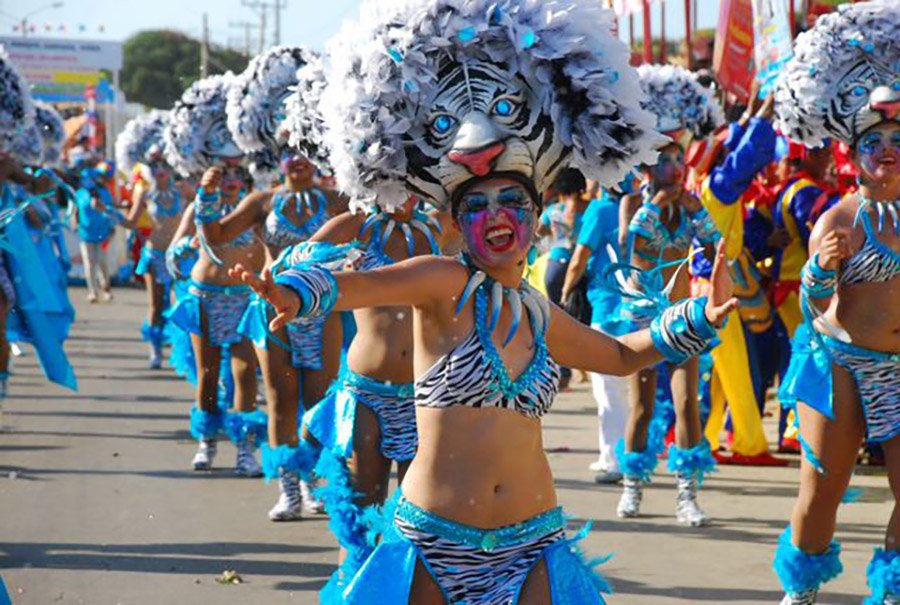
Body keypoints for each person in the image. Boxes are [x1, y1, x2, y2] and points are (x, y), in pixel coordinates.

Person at [231, 2, 736, 602]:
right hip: (435, 542)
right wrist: (290, 290)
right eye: (477, 206)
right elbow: (356, 286)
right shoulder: (441, 281)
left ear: (537, 213)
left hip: (534, 544)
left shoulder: (537, 310)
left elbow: (623, 355)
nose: (496, 217)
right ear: (453, 219)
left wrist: (696, 318)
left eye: (511, 203)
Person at [772, 2, 900, 603]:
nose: (889, 150)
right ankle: (802, 591)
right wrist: (821, 270)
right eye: (875, 140)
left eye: (899, 138)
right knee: (823, 489)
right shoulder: (841, 217)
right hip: (841, 363)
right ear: (854, 151)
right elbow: (813, 302)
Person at [202, 46, 342, 519]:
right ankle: (290, 490)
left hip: (323, 312)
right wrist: (205, 198)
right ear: (276, 159)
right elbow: (218, 235)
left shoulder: (337, 200)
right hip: (271, 311)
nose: (298, 162)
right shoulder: (264, 202)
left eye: (306, 154)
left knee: (319, 405)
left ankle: (318, 482)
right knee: (282, 402)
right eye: (289, 155)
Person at [614, 64, 724, 527]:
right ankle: (633, 487)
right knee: (640, 411)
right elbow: (630, 249)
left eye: (679, 159)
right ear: (646, 166)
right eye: (664, 160)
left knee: (686, 406)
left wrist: (699, 217)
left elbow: (716, 250)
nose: (675, 168)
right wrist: (653, 211)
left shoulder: (689, 204)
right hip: (642, 320)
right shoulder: (632, 205)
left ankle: (687, 495)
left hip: (684, 317)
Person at [163, 74, 266, 475]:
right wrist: (185, 248)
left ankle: (245, 448)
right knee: (207, 377)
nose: (232, 178)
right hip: (204, 296)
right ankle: (207, 440)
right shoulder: (200, 205)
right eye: (225, 170)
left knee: (244, 374)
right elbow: (175, 251)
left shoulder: (257, 207)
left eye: (238, 170)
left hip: (244, 298)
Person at [562, 177, 635, 484]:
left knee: (608, 390)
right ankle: (624, 454)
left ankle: (615, 460)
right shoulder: (643, 207)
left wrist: (565, 292)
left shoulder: (601, 208)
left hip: (608, 306)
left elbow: (580, 257)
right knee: (636, 391)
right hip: (642, 306)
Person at [117, 111, 184, 369]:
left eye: (163, 165)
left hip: (179, 256)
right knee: (156, 305)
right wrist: (108, 212)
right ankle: (155, 349)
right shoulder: (143, 191)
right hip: (154, 255)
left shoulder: (183, 190)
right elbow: (131, 223)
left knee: (181, 304)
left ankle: (181, 349)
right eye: (153, 166)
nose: (159, 171)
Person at [72, 161, 117, 303]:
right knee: (89, 263)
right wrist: (75, 222)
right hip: (85, 233)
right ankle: (92, 291)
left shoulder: (105, 193)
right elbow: (76, 210)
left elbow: (110, 210)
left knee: (102, 261)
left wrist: (112, 227)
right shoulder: (80, 193)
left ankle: (106, 289)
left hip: (102, 232)